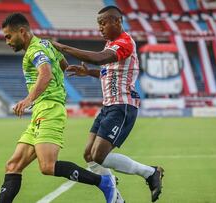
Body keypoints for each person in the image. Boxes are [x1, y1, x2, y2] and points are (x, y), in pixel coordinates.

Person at [0, 13, 121, 203]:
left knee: (47, 166)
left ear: (22, 32)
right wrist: (65, 72)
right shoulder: (47, 44)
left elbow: (45, 74)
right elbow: (63, 64)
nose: (7, 42)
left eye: (8, 36)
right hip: (41, 111)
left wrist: (28, 99)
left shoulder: (35, 50)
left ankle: (104, 182)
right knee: (13, 165)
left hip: (49, 110)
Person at [51, 6, 164, 202]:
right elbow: (107, 71)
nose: (100, 28)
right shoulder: (110, 44)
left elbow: (98, 59)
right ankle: (116, 197)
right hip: (108, 107)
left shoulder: (124, 42)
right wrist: (88, 73)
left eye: (103, 23)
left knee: (99, 155)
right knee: (88, 155)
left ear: (117, 21)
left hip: (122, 106)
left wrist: (63, 47)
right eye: (98, 24)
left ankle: (150, 172)